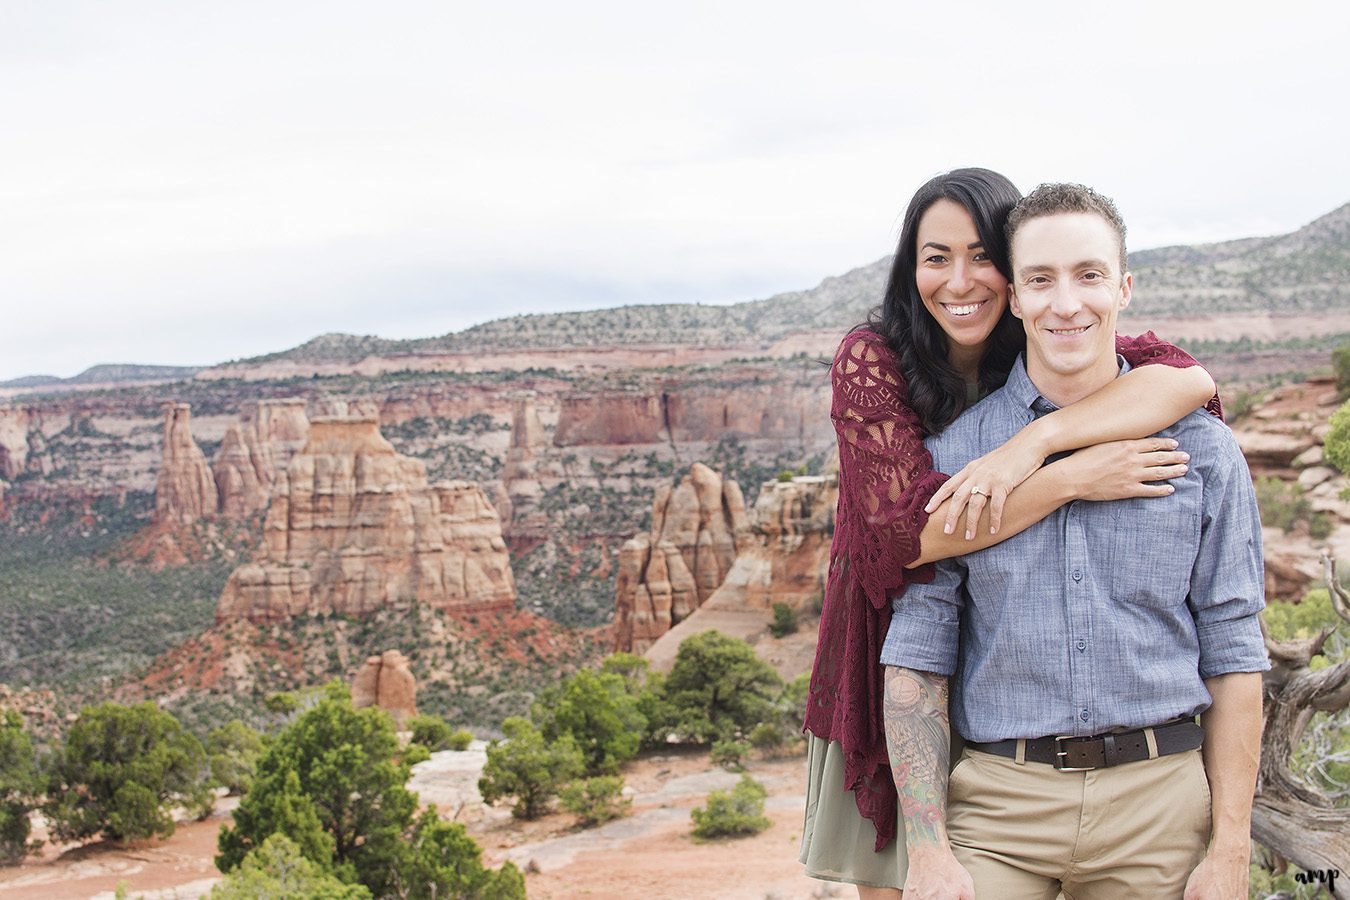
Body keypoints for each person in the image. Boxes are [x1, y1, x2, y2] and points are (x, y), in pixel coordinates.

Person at [800, 168, 1222, 899]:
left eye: (980, 255)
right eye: (936, 257)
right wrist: (1067, 477)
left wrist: (1033, 442)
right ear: (911, 266)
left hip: (1011, 675)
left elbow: (1189, 384)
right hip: (894, 644)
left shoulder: (1042, 332)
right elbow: (908, 537)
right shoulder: (874, 357)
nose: (959, 280)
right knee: (907, 878)